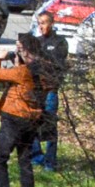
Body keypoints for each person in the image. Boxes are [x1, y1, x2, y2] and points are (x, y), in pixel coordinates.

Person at [0, 32, 55, 187]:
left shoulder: (22, 72)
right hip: (32, 118)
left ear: (25, 50)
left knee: (0, 159)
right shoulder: (44, 69)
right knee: (25, 159)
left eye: (19, 49)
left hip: (14, 117)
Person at [29, 11, 69, 172]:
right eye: (39, 23)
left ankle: (50, 162)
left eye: (44, 22)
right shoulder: (36, 42)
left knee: (50, 125)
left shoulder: (60, 42)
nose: (41, 26)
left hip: (51, 88)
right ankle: (37, 157)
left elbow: (57, 63)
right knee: (32, 123)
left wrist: (39, 60)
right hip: (36, 88)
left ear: (51, 23)